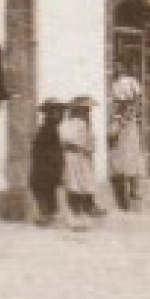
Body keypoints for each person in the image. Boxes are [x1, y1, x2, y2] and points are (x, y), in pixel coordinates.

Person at [60, 96, 100, 229]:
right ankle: (75, 218)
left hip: (82, 158)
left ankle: (81, 217)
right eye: (85, 110)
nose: (87, 113)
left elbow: (90, 142)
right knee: (75, 186)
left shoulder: (84, 124)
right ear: (77, 111)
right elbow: (67, 142)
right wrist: (82, 147)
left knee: (82, 186)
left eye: (88, 110)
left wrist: (89, 147)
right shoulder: (72, 124)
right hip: (73, 158)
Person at [108, 70, 144, 211]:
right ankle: (128, 199)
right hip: (125, 130)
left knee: (130, 161)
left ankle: (133, 197)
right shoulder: (125, 108)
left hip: (127, 131)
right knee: (125, 162)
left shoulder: (128, 109)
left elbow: (128, 112)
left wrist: (119, 124)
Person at [29, 98, 65, 227]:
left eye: (61, 112)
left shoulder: (51, 129)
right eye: (58, 112)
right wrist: (56, 168)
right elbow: (45, 152)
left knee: (47, 192)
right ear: (50, 113)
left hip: (47, 169)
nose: (61, 115)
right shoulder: (48, 130)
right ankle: (45, 216)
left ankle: (47, 216)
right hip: (44, 169)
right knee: (44, 191)